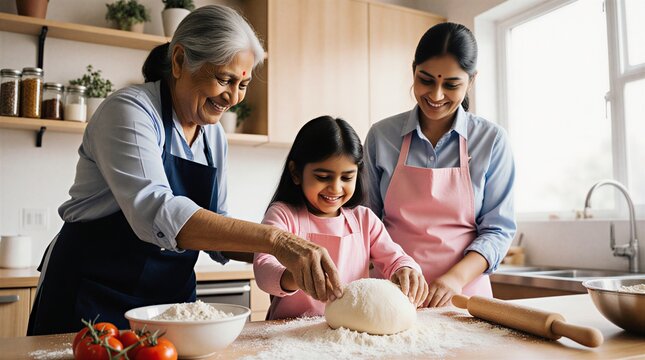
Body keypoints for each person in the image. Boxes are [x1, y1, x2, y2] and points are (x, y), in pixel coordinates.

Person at [27, 5, 342, 336]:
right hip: (90, 297)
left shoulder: (213, 136)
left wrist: (293, 260)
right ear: (179, 61)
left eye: (243, 84)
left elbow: (215, 232)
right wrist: (276, 240)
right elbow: (158, 212)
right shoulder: (130, 111)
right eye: (225, 79)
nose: (233, 97)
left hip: (167, 307)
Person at [364, 22, 516, 307]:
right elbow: (365, 222)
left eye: (451, 84)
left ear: (471, 81)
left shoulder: (491, 140)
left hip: (466, 298)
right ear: (413, 71)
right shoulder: (381, 137)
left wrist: (454, 279)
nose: (435, 95)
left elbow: (498, 230)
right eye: (426, 80)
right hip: (392, 296)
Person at [254, 116, 428, 320]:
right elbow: (263, 270)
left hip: (346, 334)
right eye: (323, 177)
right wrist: (297, 276)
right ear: (296, 173)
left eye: (347, 177)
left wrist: (406, 269)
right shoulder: (284, 215)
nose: (336, 188)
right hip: (290, 334)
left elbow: (395, 258)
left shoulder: (364, 220)